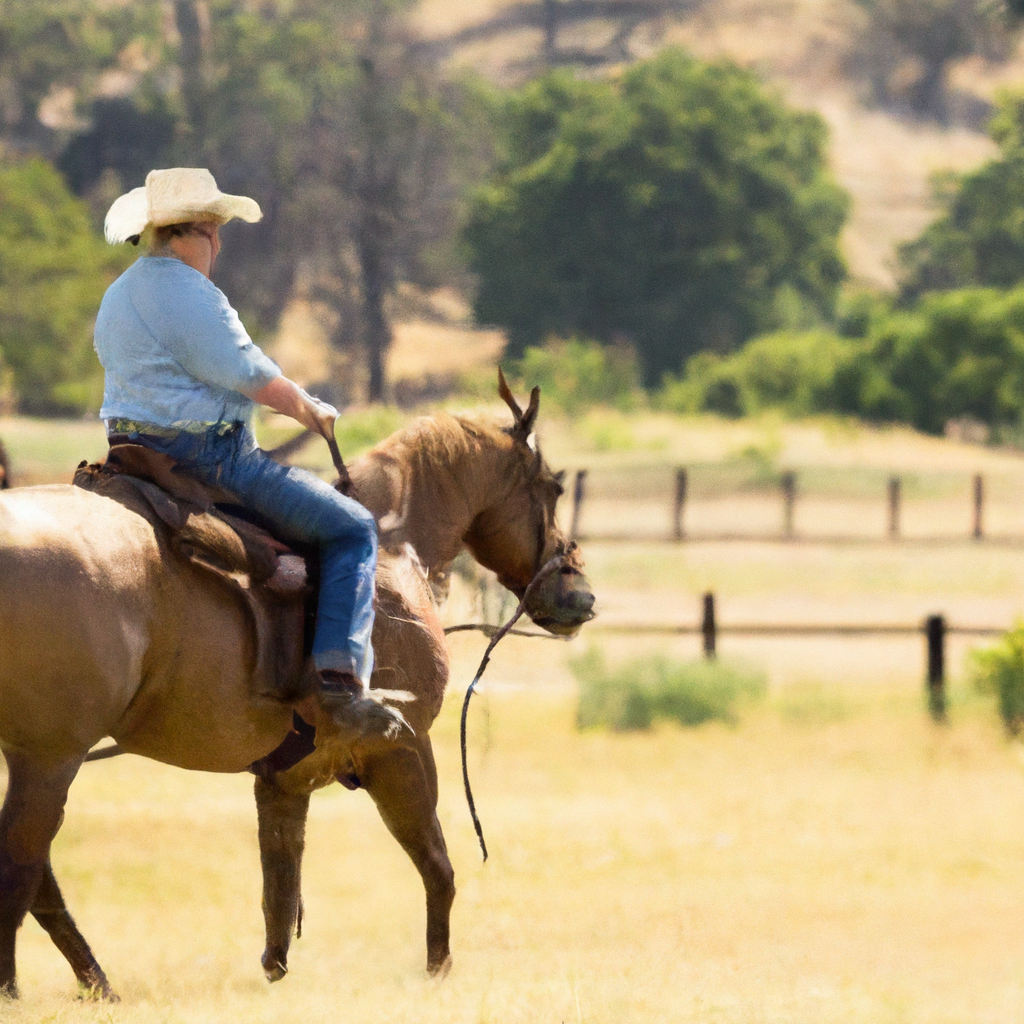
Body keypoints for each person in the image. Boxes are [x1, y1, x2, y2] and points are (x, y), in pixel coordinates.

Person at [94, 167, 404, 740]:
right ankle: (338, 678)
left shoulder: (119, 293)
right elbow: (251, 376)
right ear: (196, 231)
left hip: (130, 452)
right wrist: (312, 410)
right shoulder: (191, 293)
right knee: (353, 529)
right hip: (212, 459)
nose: (219, 244)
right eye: (216, 231)